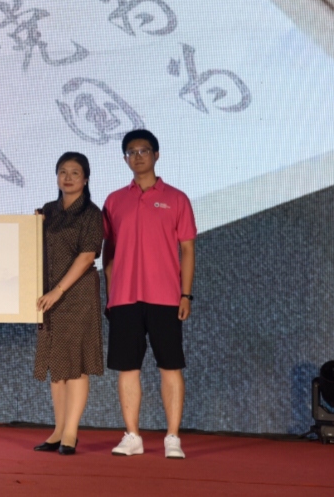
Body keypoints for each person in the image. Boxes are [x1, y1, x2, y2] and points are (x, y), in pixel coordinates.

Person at [102, 129, 196, 459]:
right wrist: (111, 293)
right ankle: (132, 436)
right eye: (131, 152)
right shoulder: (114, 200)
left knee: (170, 366)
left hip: (165, 296)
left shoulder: (177, 198)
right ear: (125, 158)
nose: (137, 156)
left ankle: (173, 437)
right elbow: (108, 251)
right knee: (128, 368)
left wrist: (186, 295)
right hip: (124, 298)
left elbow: (187, 249)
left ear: (156, 155)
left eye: (143, 150)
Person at [33, 152, 105, 456]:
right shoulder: (48, 211)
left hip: (76, 294)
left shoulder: (91, 213)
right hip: (48, 295)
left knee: (75, 363)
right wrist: (33, 227)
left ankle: (71, 433)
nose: (68, 178)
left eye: (75, 172)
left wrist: (58, 290)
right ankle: (58, 430)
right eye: (62, 171)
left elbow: (87, 256)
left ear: (85, 178)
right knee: (57, 364)